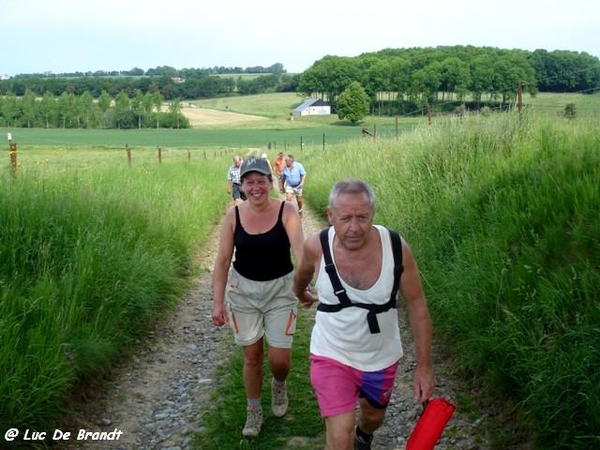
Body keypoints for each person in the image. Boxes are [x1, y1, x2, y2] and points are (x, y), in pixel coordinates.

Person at [292, 179, 435, 450]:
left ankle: (365, 436)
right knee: (339, 435)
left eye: (363, 217)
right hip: (330, 352)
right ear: (330, 215)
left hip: (380, 356)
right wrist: (300, 293)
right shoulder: (316, 247)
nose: (354, 228)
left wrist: (425, 367)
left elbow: (417, 306)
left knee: (373, 416)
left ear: (373, 214)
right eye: (345, 218)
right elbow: (301, 276)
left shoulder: (396, 248)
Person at [212, 156, 305, 438]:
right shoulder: (234, 215)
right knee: (251, 357)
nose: (255, 187)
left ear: (270, 182)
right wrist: (218, 302)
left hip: (280, 291)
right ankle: (253, 410)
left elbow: (301, 253)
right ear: (243, 185)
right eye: (249, 182)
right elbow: (223, 260)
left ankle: (279, 385)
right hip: (244, 293)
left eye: (261, 181)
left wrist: (305, 287)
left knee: (279, 360)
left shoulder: (287, 211)